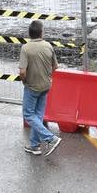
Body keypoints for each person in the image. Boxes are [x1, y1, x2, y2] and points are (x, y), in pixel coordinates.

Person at [19, 20, 60, 156]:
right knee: (38, 115)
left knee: (28, 115)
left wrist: (25, 82)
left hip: (32, 86)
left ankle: (50, 138)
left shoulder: (26, 48)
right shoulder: (48, 46)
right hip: (46, 85)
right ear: (41, 32)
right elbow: (55, 66)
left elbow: (22, 71)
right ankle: (35, 145)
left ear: (29, 33)